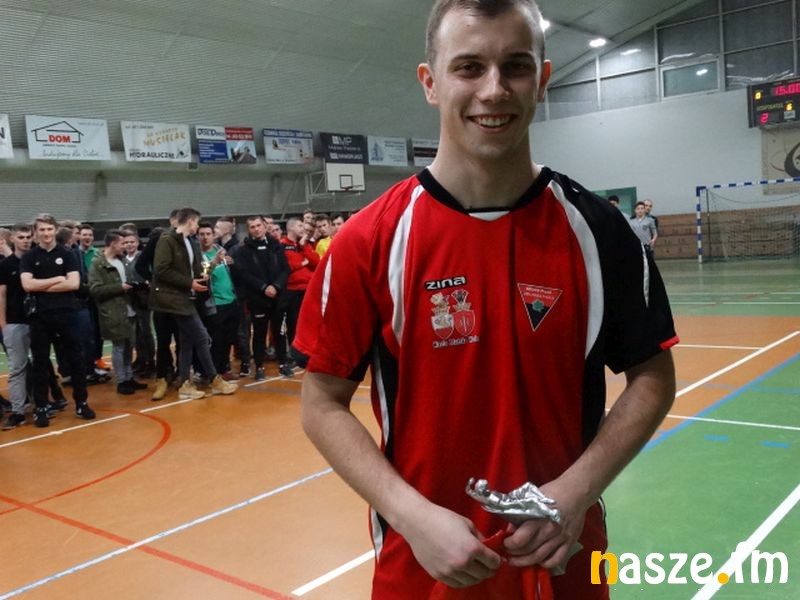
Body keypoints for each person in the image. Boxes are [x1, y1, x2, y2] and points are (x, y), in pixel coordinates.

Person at [294, 2, 678, 599]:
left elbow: (652, 375)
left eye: (515, 66)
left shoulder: (602, 233)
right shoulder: (368, 241)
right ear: (430, 82)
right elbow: (321, 403)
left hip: (566, 561)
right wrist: (411, 515)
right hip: (422, 569)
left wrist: (575, 493)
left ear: (542, 79)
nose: (494, 90)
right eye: (469, 67)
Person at [150, 207, 237, 400]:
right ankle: (214, 379)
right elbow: (161, 270)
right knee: (201, 337)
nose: (197, 227)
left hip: (188, 299)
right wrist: (189, 283)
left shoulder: (191, 242)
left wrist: (213, 264)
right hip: (175, 300)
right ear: (190, 221)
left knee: (187, 341)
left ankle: (184, 384)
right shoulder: (167, 240)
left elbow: (198, 270)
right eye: (196, 222)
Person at [21, 214, 96, 427]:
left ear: (55, 230)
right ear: (35, 233)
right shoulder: (29, 257)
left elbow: (73, 284)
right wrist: (56, 279)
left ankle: (81, 403)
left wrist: (40, 285)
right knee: (41, 363)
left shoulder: (68, 254)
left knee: (76, 359)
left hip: (67, 314)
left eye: (49, 229)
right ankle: (41, 408)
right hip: (40, 317)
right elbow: (27, 285)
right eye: (41, 230)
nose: (46, 233)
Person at [89, 230, 147, 395]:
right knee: (119, 347)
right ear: (113, 244)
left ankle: (129, 377)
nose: (125, 246)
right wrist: (119, 288)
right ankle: (121, 380)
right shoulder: (98, 264)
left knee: (129, 346)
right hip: (113, 310)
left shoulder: (122, 261)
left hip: (129, 309)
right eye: (122, 243)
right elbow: (95, 289)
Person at [233, 215, 289, 381]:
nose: (256, 229)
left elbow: (285, 269)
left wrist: (276, 286)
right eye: (252, 227)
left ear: (264, 226)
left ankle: (283, 364)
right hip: (258, 299)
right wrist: (263, 287)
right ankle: (259, 366)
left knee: (280, 333)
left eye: (258, 225)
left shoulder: (276, 245)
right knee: (259, 334)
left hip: (277, 297)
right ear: (248, 230)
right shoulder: (243, 250)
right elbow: (244, 274)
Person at [0, 224, 34, 429]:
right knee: (17, 368)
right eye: (21, 237)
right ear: (12, 239)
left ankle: (41, 405)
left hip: (38, 321)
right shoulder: (5, 265)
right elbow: (1, 295)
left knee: (41, 365)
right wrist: (3, 322)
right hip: (14, 322)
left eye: (28, 237)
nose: (26, 240)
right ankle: (18, 411)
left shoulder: (38, 260)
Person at [197, 222, 239, 380]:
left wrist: (229, 262)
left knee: (228, 338)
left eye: (208, 234)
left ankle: (224, 369)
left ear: (213, 235)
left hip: (230, 300)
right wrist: (214, 262)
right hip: (215, 304)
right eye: (202, 234)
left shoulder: (219, 249)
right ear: (197, 236)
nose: (205, 237)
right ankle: (212, 373)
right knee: (215, 340)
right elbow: (202, 275)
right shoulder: (196, 255)